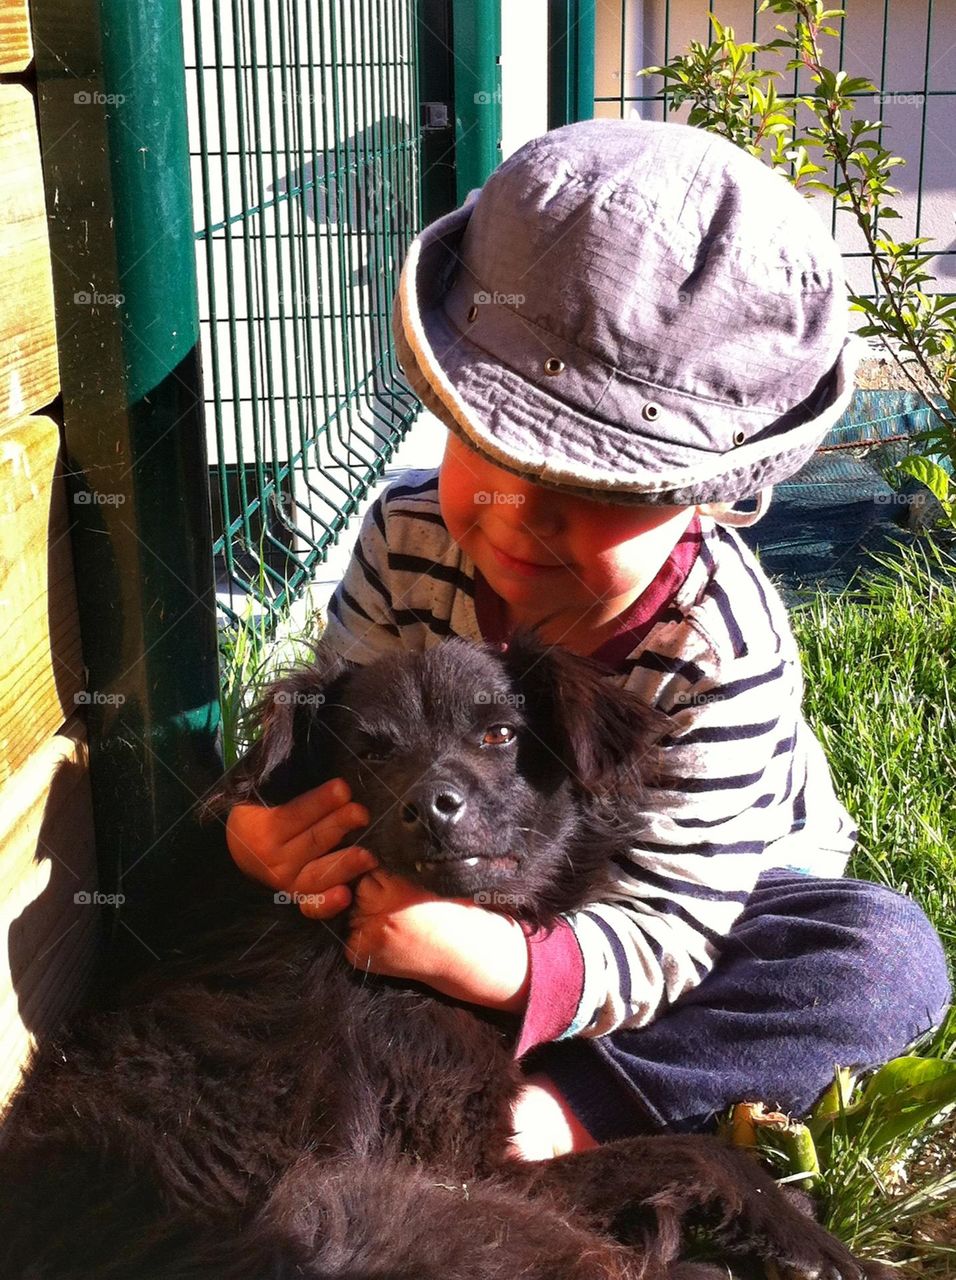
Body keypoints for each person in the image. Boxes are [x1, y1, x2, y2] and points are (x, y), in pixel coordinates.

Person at [225, 118, 951, 1161]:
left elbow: (675, 924)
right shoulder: (405, 531)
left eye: (593, 487)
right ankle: (428, 1064)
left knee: (881, 958)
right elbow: (336, 731)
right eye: (485, 445)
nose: (516, 514)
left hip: (695, 901)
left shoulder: (716, 641)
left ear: (711, 499)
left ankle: (569, 1107)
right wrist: (267, 828)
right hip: (471, 852)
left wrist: (515, 967)